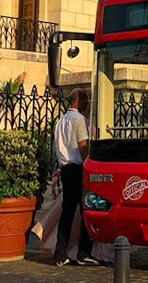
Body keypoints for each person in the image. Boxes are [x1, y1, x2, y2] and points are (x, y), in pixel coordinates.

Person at [53, 88, 97, 267]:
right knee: (88, 209)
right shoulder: (79, 120)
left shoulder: (61, 121)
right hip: (78, 169)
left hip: (65, 169)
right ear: (79, 100)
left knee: (67, 213)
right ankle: (84, 252)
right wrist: (90, 164)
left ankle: (60, 253)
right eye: (86, 99)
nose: (88, 103)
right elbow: (83, 146)